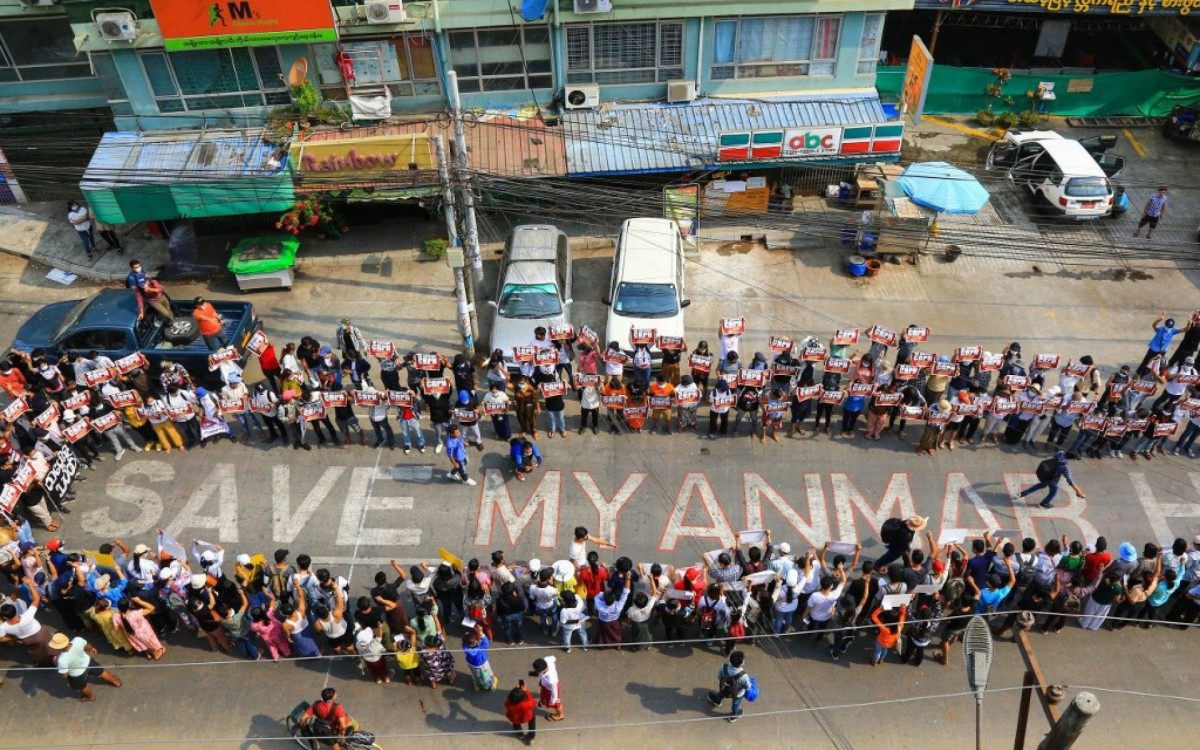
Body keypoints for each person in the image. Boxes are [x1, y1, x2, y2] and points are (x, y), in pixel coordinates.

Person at [52, 633, 121, 702]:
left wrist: (58, 667)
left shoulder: (61, 659)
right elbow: (87, 646)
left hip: (77, 674)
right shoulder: (77, 640)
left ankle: (90, 697)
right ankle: (116, 682)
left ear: (58, 647)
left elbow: (64, 675)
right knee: (102, 672)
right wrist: (92, 648)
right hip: (88, 662)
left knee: (83, 687)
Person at [1019, 450, 1085, 509]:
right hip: (1052, 478)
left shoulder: (1061, 452)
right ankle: (1044, 503)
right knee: (1053, 491)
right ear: (1071, 458)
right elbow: (1069, 479)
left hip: (1046, 470)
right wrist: (1078, 490)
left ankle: (1024, 493)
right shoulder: (1064, 466)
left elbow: (1055, 457)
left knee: (1042, 485)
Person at [707, 650, 752, 723]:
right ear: (741, 663)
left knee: (721, 693)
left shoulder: (724, 667)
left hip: (725, 688)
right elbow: (748, 687)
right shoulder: (744, 676)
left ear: (730, 660)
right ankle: (734, 715)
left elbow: (719, 677)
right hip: (738, 693)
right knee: (736, 703)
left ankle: (717, 701)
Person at [462, 621, 496, 691]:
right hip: (483, 664)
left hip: (472, 664)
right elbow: (486, 642)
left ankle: (476, 685)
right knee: (488, 673)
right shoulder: (480, 647)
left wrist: (470, 634)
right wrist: (481, 633)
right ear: (476, 641)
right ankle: (492, 681)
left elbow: (466, 639)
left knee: (475, 675)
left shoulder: (465, 647)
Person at [532, 656, 564, 721]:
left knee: (556, 704)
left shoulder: (552, 680)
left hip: (550, 689)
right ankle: (543, 700)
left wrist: (553, 701)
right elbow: (553, 658)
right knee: (542, 694)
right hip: (545, 685)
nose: (534, 671)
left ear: (541, 670)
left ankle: (560, 715)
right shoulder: (547, 660)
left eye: (536, 670)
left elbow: (554, 693)